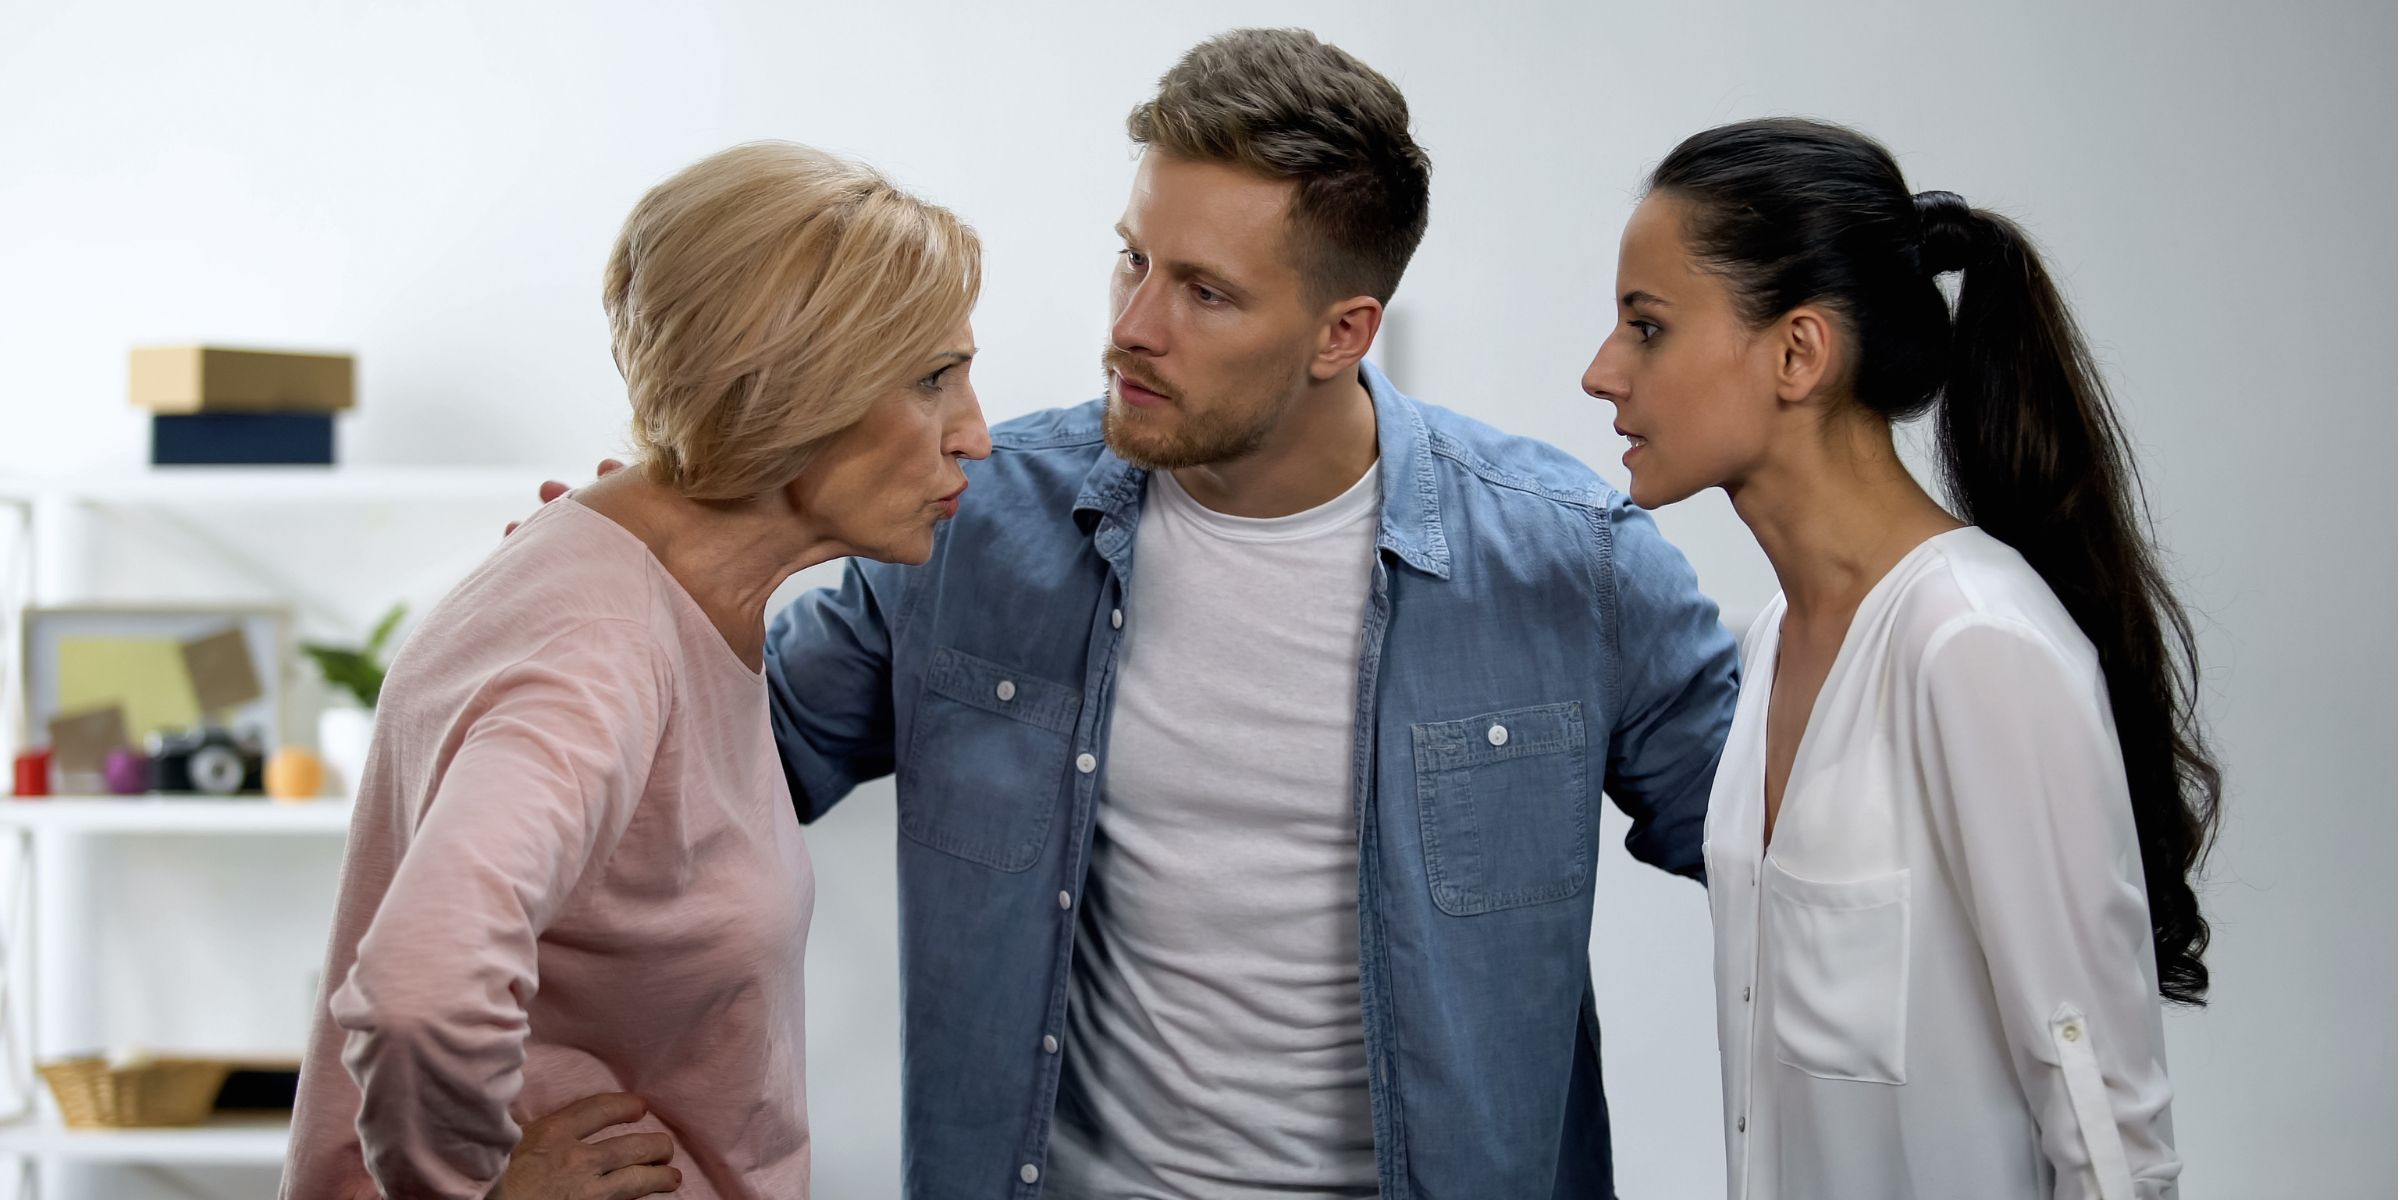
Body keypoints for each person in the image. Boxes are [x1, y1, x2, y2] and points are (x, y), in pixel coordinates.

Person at [748, 28, 1737, 1198]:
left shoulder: (1574, 568)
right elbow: (716, 774)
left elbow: (1804, 862)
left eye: (1206, 293)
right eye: (1134, 260)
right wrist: (630, 579)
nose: (1135, 326)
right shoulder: (971, 524)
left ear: (1343, 333)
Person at [283, 141, 989, 1200]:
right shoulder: (600, 648)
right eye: (932, 379)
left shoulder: (652, 583)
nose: (973, 434)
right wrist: (467, 1194)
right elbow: (420, 988)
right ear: (795, 390)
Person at [1580, 117, 2220, 1198]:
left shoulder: (1973, 645)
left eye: (1647, 328)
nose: (1603, 374)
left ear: (1798, 353)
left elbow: (2105, 1117)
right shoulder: (1781, 642)